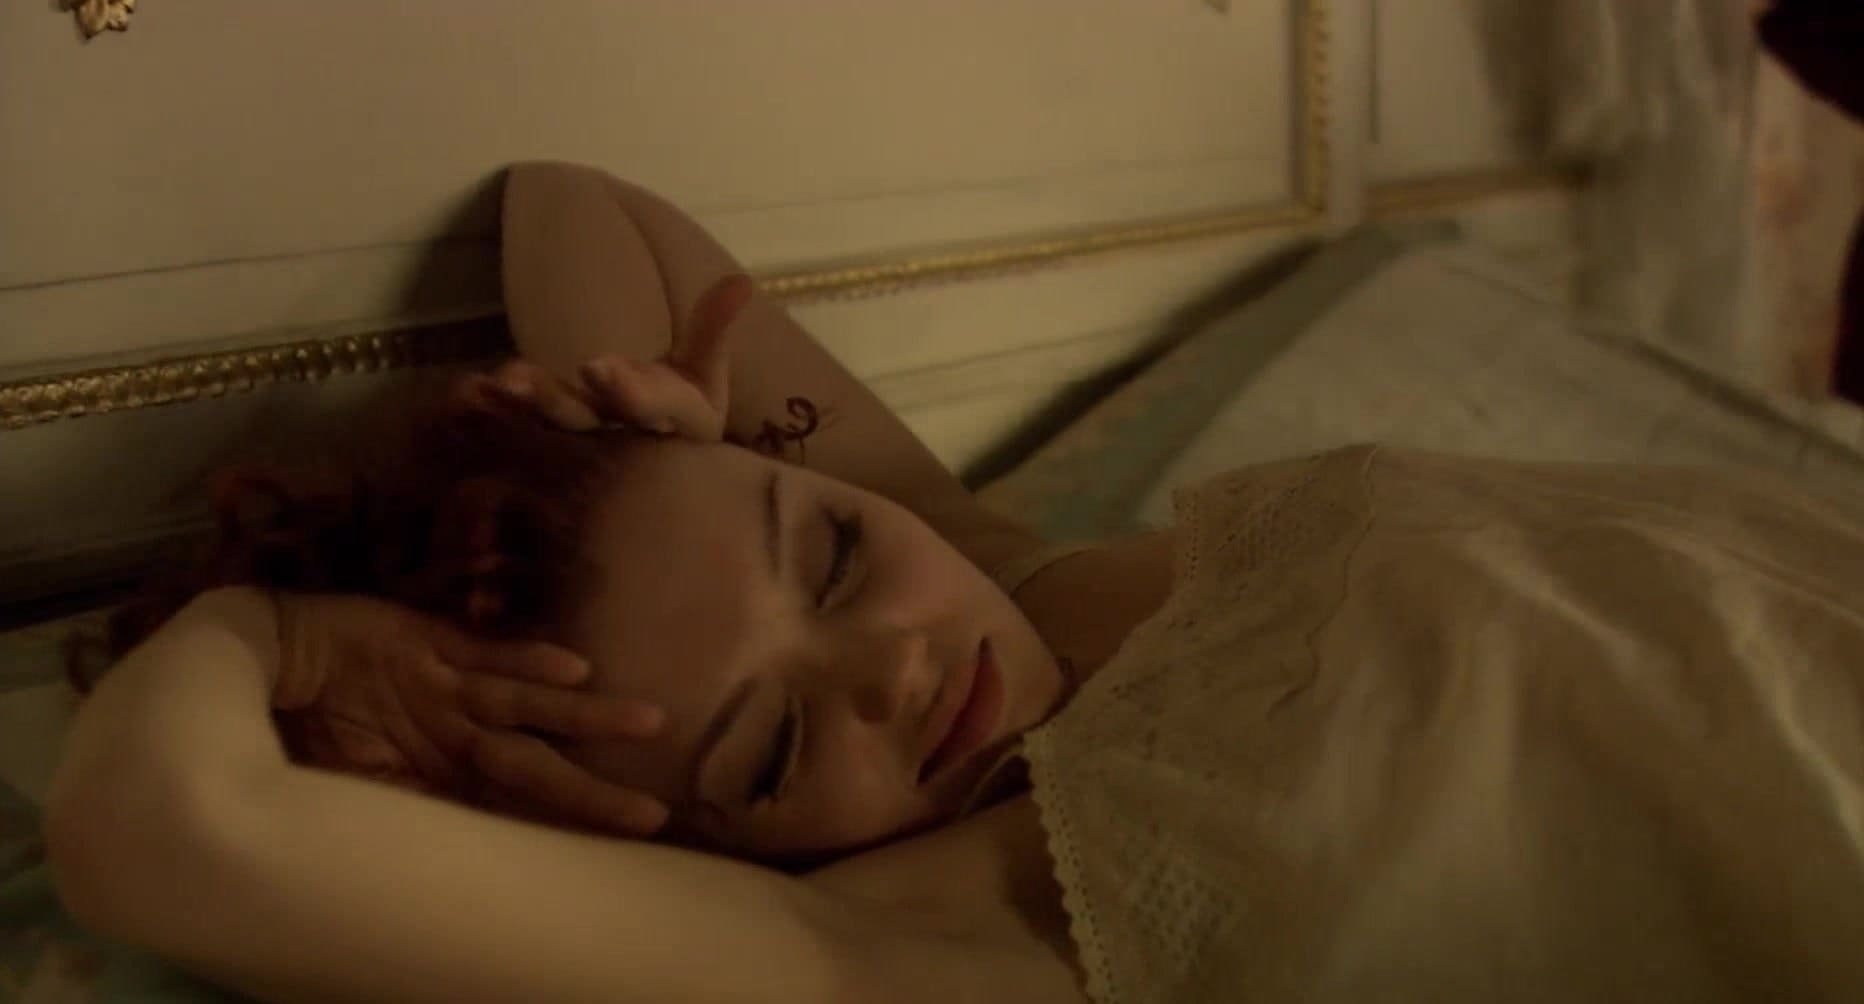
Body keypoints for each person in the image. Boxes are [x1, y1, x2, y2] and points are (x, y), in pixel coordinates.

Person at [42, 162, 1864, 1004]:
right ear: (660, 840)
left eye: (829, 549)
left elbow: (577, 205)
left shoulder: (1002, 575)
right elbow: (170, 836)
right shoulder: (923, 928)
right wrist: (269, 636)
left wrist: (635, 436)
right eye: (770, 751)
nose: (896, 669)